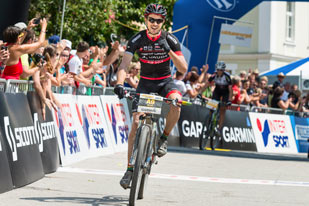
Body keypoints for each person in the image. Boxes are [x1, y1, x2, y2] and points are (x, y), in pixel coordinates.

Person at [113, 3, 187, 189]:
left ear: (163, 22)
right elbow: (124, 66)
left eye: (159, 20)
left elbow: (183, 69)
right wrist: (120, 83)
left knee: (177, 102)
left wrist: (167, 49)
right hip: (145, 83)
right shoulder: (137, 38)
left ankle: (163, 138)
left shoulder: (170, 39)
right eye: (151, 19)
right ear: (146, 19)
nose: (154, 23)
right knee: (136, 123)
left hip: (164, 82)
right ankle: (130, 169)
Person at [208, 61, 232, 135]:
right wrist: (199, 93)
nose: (219, 71)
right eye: (218, 69)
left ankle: (219, 128)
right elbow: (207, 84)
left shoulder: (227, 76)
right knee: (211, 107)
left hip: (225, 92)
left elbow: (230, 89)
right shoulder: (214, 75)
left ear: (223, 70)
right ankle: (209, 123)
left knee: (222, 110)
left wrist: (229, 100)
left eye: (221, 70)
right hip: (217, 90)